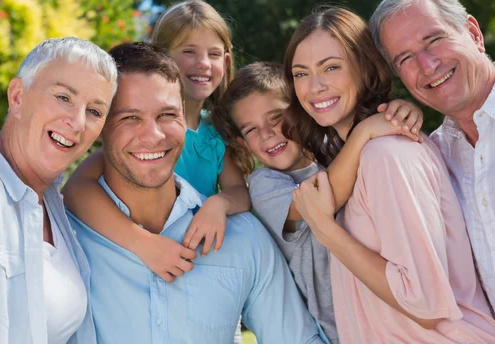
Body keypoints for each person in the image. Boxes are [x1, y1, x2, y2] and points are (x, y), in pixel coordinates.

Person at [66, 42, 327, 344]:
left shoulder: (244, 238)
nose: (153, 136)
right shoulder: (62, 237)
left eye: (167, 115)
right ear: (100, 125)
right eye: (130, 117)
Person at [284, 7, 495, 343]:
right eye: (301, 74)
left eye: (331, 67)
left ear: (364, 68)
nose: (315, 87)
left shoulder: (387, 155)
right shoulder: (356, 158)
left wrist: (327, 231)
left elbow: (424, 305)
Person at [63, 0, 249, 342]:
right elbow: (76, 190)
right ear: (161, 57)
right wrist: (143, 244)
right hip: (141, 262)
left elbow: (240, 193)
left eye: (213, 53)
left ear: (226, 60)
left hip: (199, 263)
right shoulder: (137, 140)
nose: (202, 63)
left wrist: (218, 205)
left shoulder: (216, 133)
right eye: (189, 51)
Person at [211, 61, 425, 344]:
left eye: (276, 117)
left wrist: (404, 113)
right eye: (251, 130)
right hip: (335, 331)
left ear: (301, 111)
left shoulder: (338, 150)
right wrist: (365, 133)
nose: (267, 134)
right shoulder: (265, 185)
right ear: (243, 143)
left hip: (387, 313)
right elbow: (320, 200)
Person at [0, 37, 117, 344]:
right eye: (63, 97)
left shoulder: (53, 205)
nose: (78, 122)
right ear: (17, 97)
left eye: (95, 111)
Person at [369, 0, 495, 344]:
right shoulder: (431, 158)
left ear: (473, 33)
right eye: (405, 58)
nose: (427, 65)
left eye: (434, 39)